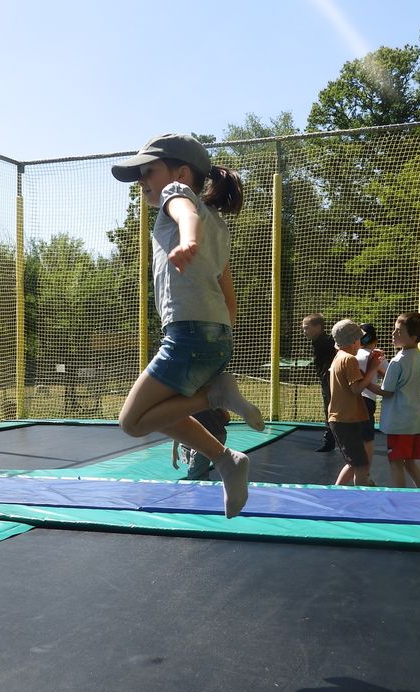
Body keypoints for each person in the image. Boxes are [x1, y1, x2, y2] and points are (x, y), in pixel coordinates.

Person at [111, 133, 264, 518]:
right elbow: (228, 295)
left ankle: (215, 396)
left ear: (180, 172)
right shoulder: (219, 224)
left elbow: (185, 213)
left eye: (149, 171)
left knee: (131, 422)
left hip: (188, 332)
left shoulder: (179, 197)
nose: (143, 181)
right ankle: (226, 459)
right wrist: (220, 345)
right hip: (215, 334)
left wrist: (187, 240)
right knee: (156, 413)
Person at [366, 312, 420, 489]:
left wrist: (363, 382)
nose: (394, 334)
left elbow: (387, 391)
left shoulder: (397, 361)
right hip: (416, 421)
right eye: (394, 330)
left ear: (413, 337)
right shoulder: (418, 356)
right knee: (409, 462)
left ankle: (398, 501)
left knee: (395, 463)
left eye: (399, 332)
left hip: (400, 424)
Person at [327, 319, 381, 486]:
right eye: (359, 339)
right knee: (361, 465)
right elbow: (356, 389)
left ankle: (337, 491)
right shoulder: (349, 359)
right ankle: (359, 497)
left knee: (355, 463)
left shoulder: (338, 357)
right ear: (354, 341)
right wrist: (373, 368)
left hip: (342, 418)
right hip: (346, 419)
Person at [355, 323, 389, 482]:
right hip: (367, 400)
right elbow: (389, 376)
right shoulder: (375, 355)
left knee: (354, 440)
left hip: (350, 401)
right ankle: (364, 475)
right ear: (374, 340)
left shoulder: (350, 355)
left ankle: (358, 473)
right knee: (367, 440)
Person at [302, 313, 338, 452]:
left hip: (331, 381)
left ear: (318, 327)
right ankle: (331, 440)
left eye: (307, 328)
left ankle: (330, 441)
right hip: (326, 381)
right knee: (329, 410)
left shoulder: (328, 341)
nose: (305, 331)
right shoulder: (319, 341)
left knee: (331, 410)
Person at [172, 408, 230, 480]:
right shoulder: (204, 399)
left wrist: (174, 450)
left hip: (205, 437)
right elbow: (227, 417)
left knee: (196, 477)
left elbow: (179, 427)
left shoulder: (185, 403)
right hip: (220, 433)